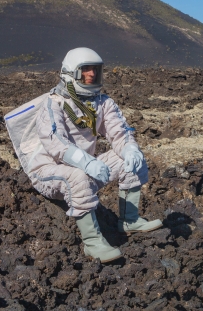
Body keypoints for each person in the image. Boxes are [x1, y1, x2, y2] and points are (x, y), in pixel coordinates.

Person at [27, 47, 162, 262]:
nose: (92, 74)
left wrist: (130, 149)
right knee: (77, 176)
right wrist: (85, 162)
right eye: (86, 70)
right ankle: (92, 243)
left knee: (132, 160)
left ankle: (130, 219)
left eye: (95, 70)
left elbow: (119, 133)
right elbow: (55, 142)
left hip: (85, 167)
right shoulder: (53, 104)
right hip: (47, 172)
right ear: (70, 73)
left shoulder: (102, 103)